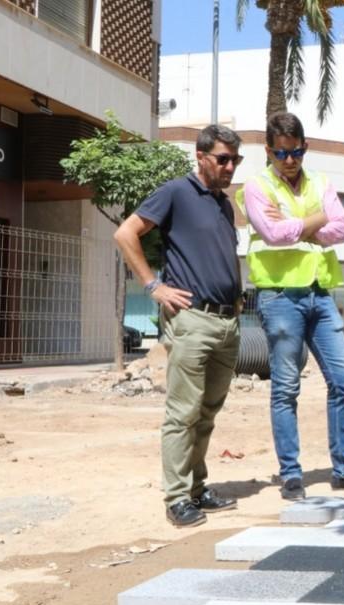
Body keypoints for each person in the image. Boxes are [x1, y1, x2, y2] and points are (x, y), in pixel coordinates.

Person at [113, 125, 242, 527]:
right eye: (223, 158)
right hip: (193, 320)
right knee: (183, 412)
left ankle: (197, 489)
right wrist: (153, 286)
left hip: (226, 323)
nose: (230, 167)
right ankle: (176, 497)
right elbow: (125, 233)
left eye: (235, 160)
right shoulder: (175, 192)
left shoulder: (223, 204)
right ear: (200, 156)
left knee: (207, 412)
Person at [243, 112, 344, 501]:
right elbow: (273, 234)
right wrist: (315, 219)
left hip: (320, 292)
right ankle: (291, 474)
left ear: (305, 147)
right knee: (285, 387)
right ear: (269, 151)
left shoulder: (321, 182)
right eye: (281, 153)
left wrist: (298, 221)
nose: (289, 160)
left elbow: (341, 228)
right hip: (279, 296)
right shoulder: (255, 186)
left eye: (295, 152)